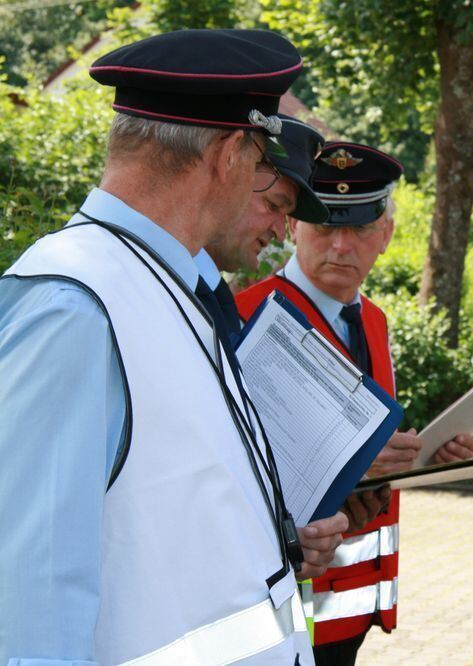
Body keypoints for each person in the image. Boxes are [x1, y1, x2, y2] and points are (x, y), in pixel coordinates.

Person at [0, 30, 326, 664]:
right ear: (230, 153)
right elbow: (24, 609)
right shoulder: (74, 307)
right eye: (263, 159)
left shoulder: (160, 285)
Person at [235, 142, 473, 665]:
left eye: (362, 228)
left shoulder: (375, 321)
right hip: (283, 611)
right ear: (294, 228)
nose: (342, 246)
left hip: (355, 606)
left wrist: (427, 459)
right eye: (325, 226)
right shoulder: (245, 318)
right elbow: (237, 469)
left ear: (386, 235)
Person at [197, 113, 350, 581]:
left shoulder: (209, 296)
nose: (281, 233)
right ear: (234, 169)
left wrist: (283, 533)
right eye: (276, 206)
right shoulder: (169, 295)